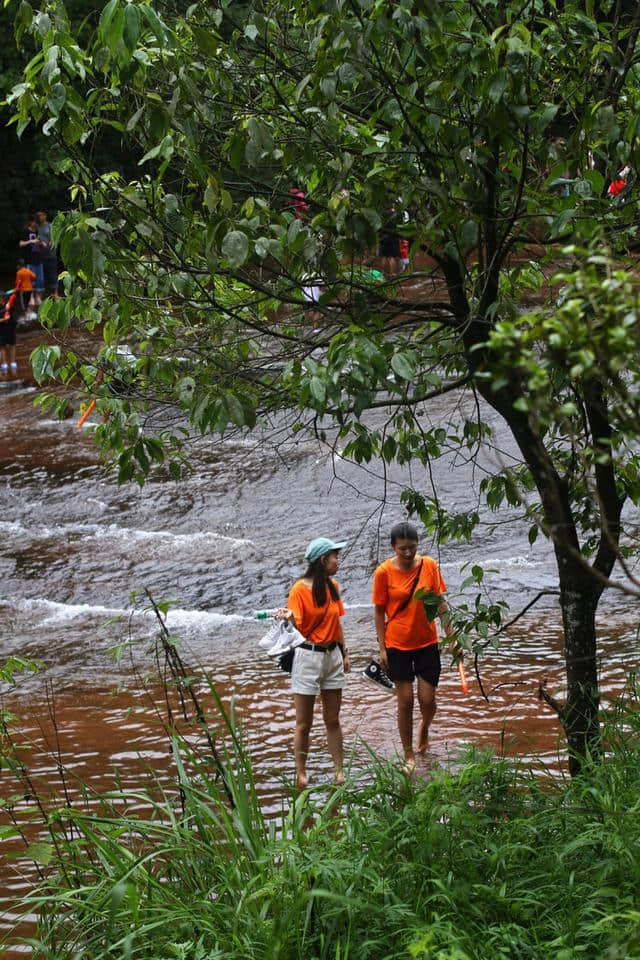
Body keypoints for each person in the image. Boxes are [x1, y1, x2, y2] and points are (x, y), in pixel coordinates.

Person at [372, 521, 458, 773]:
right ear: (393, 548)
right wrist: (382, 647)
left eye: (412, 548)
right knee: (406, 701)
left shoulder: (429, 566)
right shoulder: (383, 573)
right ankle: (408, 755)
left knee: (428, 700)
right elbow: (378, 611)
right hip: (397, 643)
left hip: (427, 642)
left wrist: (451, 637)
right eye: (402, 549)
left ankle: (424, 728)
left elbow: (440, 603)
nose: (408, 553)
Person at [275, 536, 351, 789]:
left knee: (333, 719)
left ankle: (339, 771)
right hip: (307, 656)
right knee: (303, 723)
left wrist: (345, 653)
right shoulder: (298, 589)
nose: (337, 561)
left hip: (332, 657)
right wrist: (288, 618)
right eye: (334, 556)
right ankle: (301, 773)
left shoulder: (333, 587)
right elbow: (295, 625)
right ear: (323, 559)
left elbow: (337, 622)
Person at [18, 216, 44, 303]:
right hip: (29, 259)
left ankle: (38, 297)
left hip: (38, 259)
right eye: (34, 222)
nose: (36, 224)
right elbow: (21, 243)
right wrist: (31, 241)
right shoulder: (26, 231)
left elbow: (40, 243)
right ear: (31, 222)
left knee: (39, 279)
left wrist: (41, 243)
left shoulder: (37, 231)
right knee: (29, 279)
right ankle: (31, 297)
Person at [35, 210, 59, 299]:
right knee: (41, 276)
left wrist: (47, 243)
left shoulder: (50, 226)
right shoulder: (36, 227)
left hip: (51, 254)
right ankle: (42, 295)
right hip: (40, 255)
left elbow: (54, 239)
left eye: (41, 215)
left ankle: (55, 293)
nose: (39, 217)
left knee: (52, 274)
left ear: (45, 216)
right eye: (38, 215)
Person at [0, 291, 20, 375]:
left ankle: (12, 362)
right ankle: (4, 363)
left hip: (10, 328)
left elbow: (14, 316)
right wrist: (4, 319)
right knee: (2, 347)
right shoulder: (5, 307)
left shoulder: (10, 305)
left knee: (12, 346)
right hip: (1, 330)